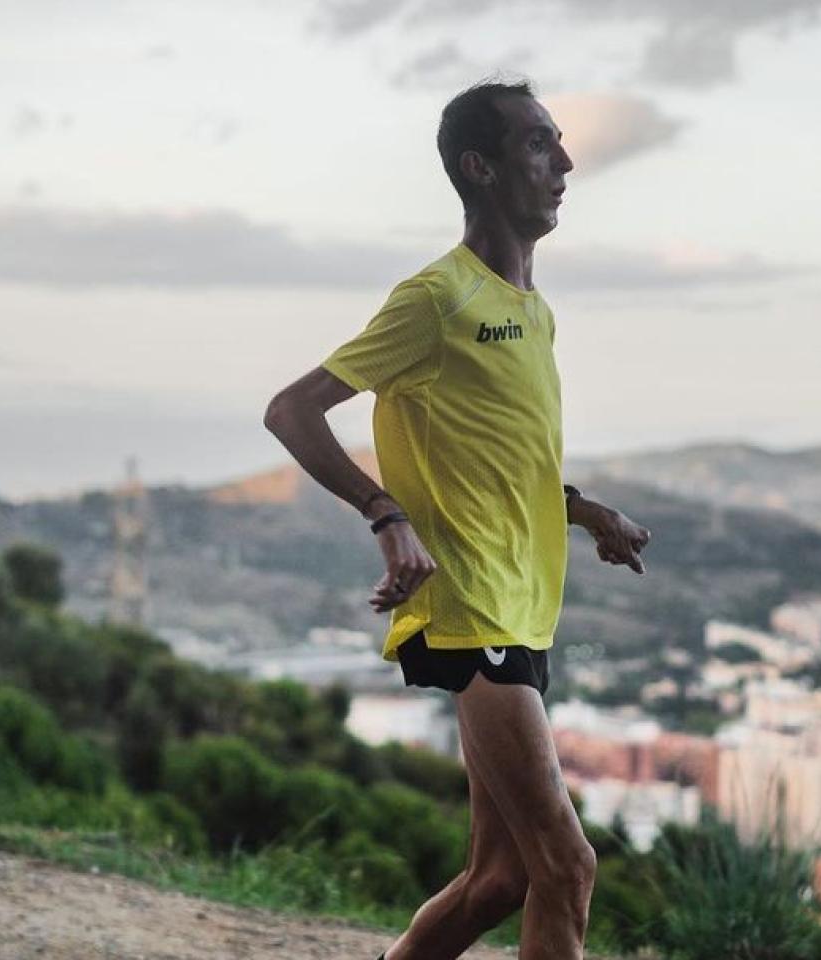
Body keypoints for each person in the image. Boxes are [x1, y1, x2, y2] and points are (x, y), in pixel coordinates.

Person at [261, 78, 652, 960]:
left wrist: (586, 512)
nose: (566, 162)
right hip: (470, 611)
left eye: (559, 143)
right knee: (567, 867)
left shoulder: (532, 312)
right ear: (480, 168)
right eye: (539, 145)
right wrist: (383, 513)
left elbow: (499, 461)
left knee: (500, 881)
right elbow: (292, 410)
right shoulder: (436, 299)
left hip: (522, 606)